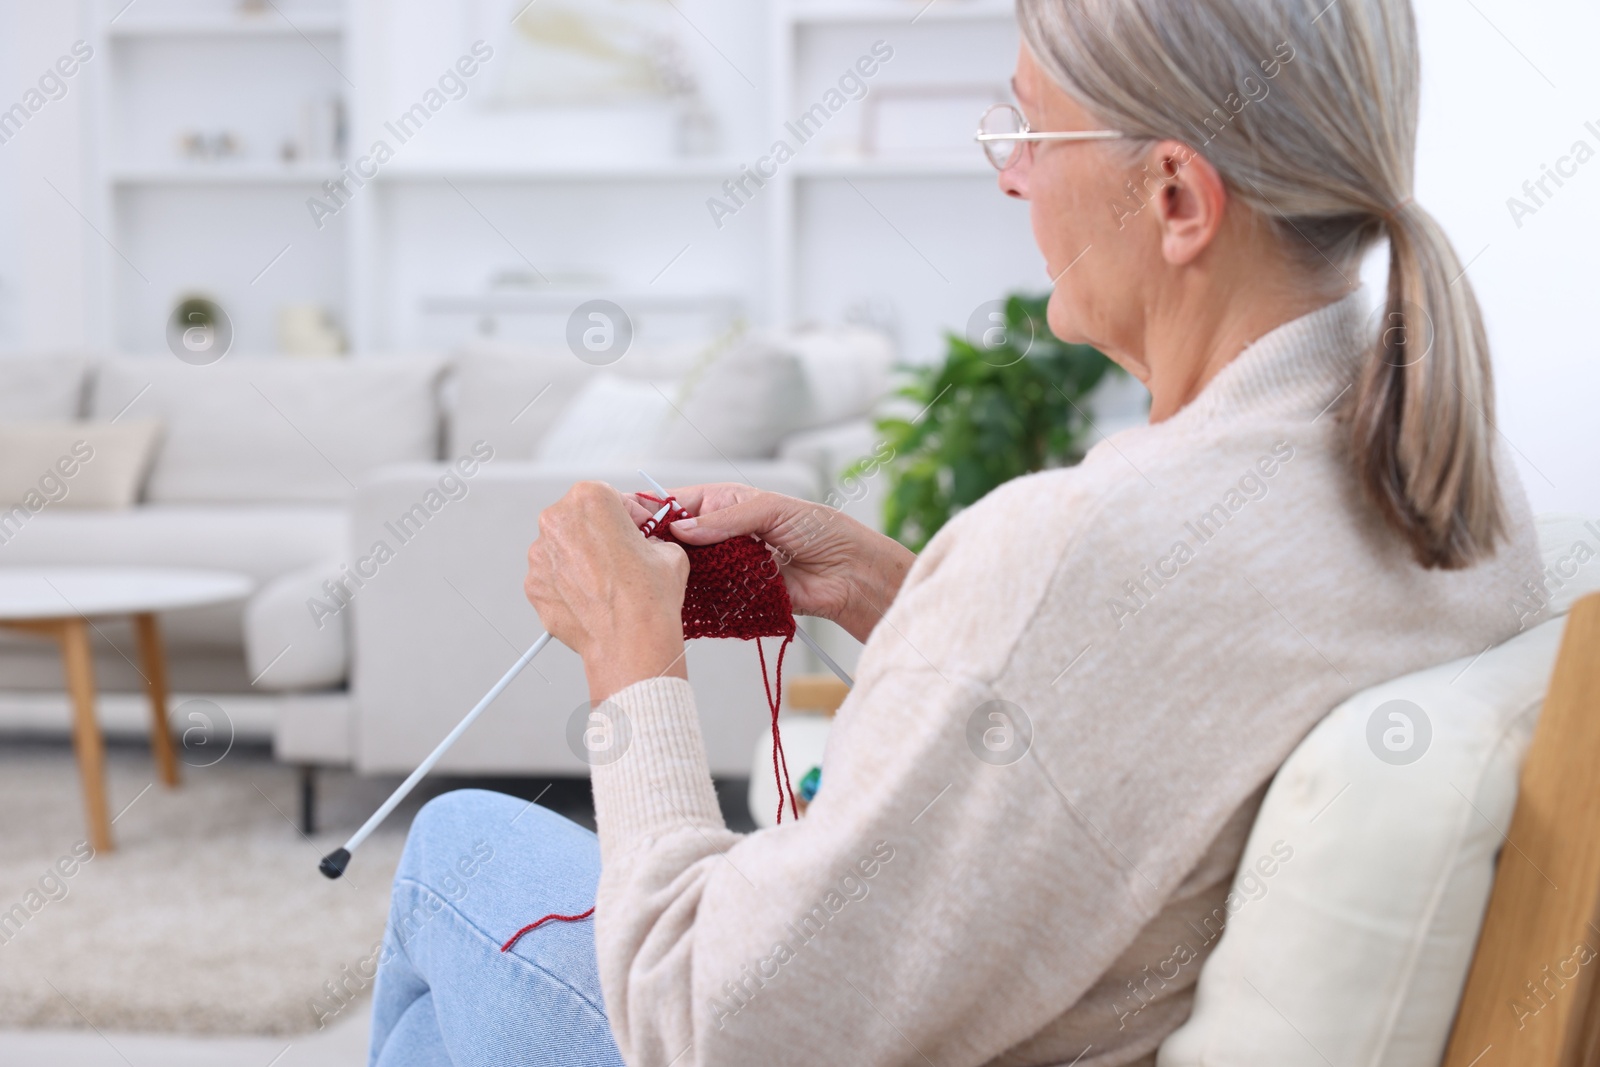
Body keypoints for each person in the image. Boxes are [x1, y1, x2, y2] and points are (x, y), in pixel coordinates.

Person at [368, 0, 1543, 1063]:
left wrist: (628, 655)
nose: (1009, 177)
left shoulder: (1083, 542)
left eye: (1029, 131)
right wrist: (906, 595)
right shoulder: (1447, 481)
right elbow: (1146, 705)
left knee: (458, 849)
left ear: (1176, 199)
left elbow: (702, 1018)